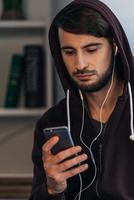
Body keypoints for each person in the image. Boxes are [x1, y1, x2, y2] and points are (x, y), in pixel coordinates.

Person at [29, 0, 134, 199]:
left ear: (115, 46)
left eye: (91, 49)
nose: (80, 64)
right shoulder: (52, 122)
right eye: (69, 52)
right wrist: (52, 190)